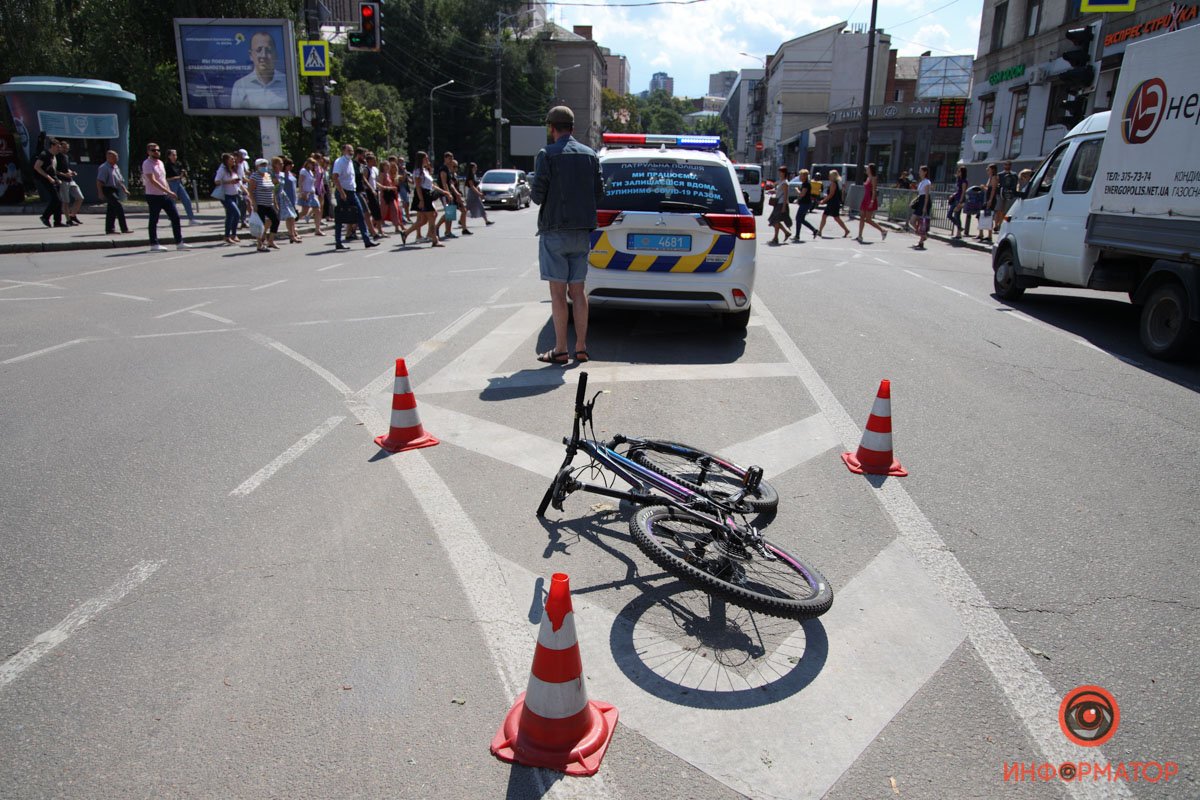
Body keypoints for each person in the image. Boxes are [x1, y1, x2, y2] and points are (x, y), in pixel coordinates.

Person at [530, 105, 603, 365]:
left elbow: (537, 195)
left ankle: (561, 349)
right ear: (572, 127)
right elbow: (599, 193)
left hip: (555, 232)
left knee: (558, 293)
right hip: (582, 233)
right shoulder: (590, 155)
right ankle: (581, 348)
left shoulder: (546, 155)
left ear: (552, 128)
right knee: (579, 291)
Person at [142, 142, 190, 251]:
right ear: (148, 152)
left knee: (175, 217)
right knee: (154, 219)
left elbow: (163, 180)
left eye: (158, 150)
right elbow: (153, 181)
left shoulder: (160, 163)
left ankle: (179, 242)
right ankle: (154, 244)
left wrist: (169, 191)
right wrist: (168, 191)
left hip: (164, 195)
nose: (157, 152)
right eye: (153, 150)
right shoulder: (147, 163)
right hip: (153, 195)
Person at [331, 142, 376, 251]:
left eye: (352, 151)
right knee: (340, 218)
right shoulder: (339, 162)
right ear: (343, 151)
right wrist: (341, 192)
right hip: (343, 192)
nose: (351, 153)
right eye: (348, 151)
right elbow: (335, 177)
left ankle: (367, 240)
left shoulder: (351, 162)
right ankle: (338, 242)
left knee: (360, 215)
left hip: (353, 192)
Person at [230, 31, 288, 110]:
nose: (263, 55)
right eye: (259, 50)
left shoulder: (287, 82)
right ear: (251, 55)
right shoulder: (240, 86)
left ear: (276, 54)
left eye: (268, 50)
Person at [400, 151, 441, 247]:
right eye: (426, 158)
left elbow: (430, 184)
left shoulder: (424, 170)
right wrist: (421, 200)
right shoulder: (418, 171)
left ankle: (405, 233)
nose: (427, 160)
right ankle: (435, 239)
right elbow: (418, 186)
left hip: (427, 194)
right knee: (432, 216)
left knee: (423, 220)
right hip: (422, 195)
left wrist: (443, 192)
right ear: (421, 159)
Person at [247, 157, 279, 251]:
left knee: (276, 220)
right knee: (260, 224)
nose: (264, 167)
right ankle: (259, 244)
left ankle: (271, 240)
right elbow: (251, 191)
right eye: (262, 165)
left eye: (265, 165)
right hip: (260, 204)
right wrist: (254, 203)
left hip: (269, 203)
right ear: (257, 166)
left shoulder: (267, 175)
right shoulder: (254, 177)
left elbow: (272, 190)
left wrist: (275, 203)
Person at [95, 150, 130, 235]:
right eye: (114, 157)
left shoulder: (116, 167)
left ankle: (109, 229)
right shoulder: (104, 167)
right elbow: (99, 181)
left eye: (117, 156)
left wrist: (124, 189)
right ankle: (124, 228)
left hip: (115, 189)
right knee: (118, 206)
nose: (116, 158)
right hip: (107, 189)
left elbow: (119, 180)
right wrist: (100, 193)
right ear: (108, 157)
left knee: (111, 210)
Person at [213, 152, 242, 245]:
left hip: (234, 194)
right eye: (231, 159)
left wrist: (245, 191)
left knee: (230, 216)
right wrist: (229, 181)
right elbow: (217, 181)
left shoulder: (233, 169)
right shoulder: (222, 170)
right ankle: (231, 234)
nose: (234, 160)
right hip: (226, 196)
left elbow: (238, 182)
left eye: (234, 159)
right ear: (226, 161)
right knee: (237, 213)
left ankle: (229, 236)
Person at [33, 138, 63, 228]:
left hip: (54, 180)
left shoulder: (54, 156)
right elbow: (37, 167)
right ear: (52, 146)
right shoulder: (44, 154)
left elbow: (53, 170)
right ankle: (45, 217)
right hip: (46, 180)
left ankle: (57, 222)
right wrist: (48, 177)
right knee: (56, 200)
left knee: (59, 201)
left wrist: (57, 179)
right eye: (58, 147)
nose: (59, 149)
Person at [855, 163, 887, 243]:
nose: (866, 169)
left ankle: (882, 230)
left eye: (868, 168)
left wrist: (872, 201)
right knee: (862, 217)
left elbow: (874, 190)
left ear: (871, 169)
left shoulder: (873, 178)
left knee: (868, 219)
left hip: (870, 199)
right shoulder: (868, 178)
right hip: (865, 198)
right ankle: (860, 235)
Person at [164, 149, 197, 225]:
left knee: (186, 199)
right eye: (173, 155)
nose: (175, 156)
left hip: (178, 183)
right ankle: (173, 219)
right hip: (171, 183)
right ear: (169, 156)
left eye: (175, 155)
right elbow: (166, 178)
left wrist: (183, 173)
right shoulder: (167, 166)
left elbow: (180, 173)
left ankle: (191, 219)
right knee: (172, 202)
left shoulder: (178, 164)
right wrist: (176, 177)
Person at [55, 141, 84, 225]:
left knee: (80, 197)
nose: (66, 149)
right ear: (59, 147)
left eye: (67, 148)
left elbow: (66, 168)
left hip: (70, 180)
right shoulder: (56, 157)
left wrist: (71, 172)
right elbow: (53, 170)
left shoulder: (66, 156)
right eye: (64, 147)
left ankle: (73, 215)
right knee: (66, 201)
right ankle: (68, 220)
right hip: (62, 180)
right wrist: (64, 174)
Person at [816, 169, 850, 239]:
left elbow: (831, 194)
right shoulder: (835, 183)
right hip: (834, 202)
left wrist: (823, 201)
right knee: (836, 218)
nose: (828, 177)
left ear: (833, 176)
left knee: (826, 216)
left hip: (833, 203)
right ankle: (846, 230)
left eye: (830, 175)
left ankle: (820, 231)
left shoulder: (833, 184)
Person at [276, 156, 301, 243]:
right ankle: (292, 235)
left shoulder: (290, 174)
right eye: (288, 165)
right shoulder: (282, 175)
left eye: (291, 165)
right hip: (286, 197)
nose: (291, 166)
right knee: (289, 217)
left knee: (293, 217)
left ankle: (293, 232)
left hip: (293, 196)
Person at [298, 156, 324, 235]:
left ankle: (317, 229)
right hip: (306, 193)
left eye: (314, 165)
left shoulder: (310, 172)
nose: (313, 166)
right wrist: (302, 193)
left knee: (317, 210)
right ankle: (292, 221)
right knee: (304, 212)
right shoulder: (303, 171)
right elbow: (300, 182)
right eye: (312, 164)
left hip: (312, 193)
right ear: (308, 163)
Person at [791, 168, 818, 241]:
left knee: (798, 218)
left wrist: (797, 190)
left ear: (804, 176)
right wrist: (798, 199)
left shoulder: (806, 184)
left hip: (805, 204)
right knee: (801, 219)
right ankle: (814, 230)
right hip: (805, 203)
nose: (800, 177)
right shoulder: (805, 183)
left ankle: (797, 235)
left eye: (801, 175)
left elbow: (802, 194)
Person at [767, 166, 792, 245]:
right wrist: (772, 191)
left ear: (784, 173)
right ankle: (786, 232)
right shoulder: (781, 181)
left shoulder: (785, 183)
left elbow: (785, 195)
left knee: (776, 221)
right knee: (774, 220)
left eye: (780, 172)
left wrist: (784, 207)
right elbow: (778, 191)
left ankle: (776, 238)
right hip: (778, 203)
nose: (779, 173)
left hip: (781, 204)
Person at [464, 162, 492, 228]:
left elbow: (476, 185)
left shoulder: (474, 175)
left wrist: (479, 191)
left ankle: (486, 221)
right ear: (472, 168)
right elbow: (472, 186)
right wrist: (479, 193)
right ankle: (461, 219)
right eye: (475, 167)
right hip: (472, 193)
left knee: (479, 206)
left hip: (475, 193)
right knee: (468, 207)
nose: (476, 168)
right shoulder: (470, 176)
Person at [911, 165, 933, 250]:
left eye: (921, 171)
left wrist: (924, 207)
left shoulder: (927, 182)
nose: (919, 173)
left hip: (925, 202)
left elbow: (927, 195)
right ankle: (922, 236)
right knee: (913, 221)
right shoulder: (921, 182)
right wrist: (914, 200)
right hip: (920, 200)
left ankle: (922, 239)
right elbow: (920, 194)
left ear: (925, 172)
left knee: (920, 221)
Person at [379, 157, 403, 234]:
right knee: (383, 211)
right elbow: (380, 185)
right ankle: (377, 225)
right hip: (385, 195)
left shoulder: (388, 174)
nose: (388, 166)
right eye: (386, 165)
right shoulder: (382, 174)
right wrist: (389, 187)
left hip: (391, 194)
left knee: (395, 209)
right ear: (383, 166)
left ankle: (397, 227)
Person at [996, 160, 1019, 235]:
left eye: (1008, 165)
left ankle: (1001, 225)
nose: (1007, 166)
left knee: (1005, 211)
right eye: (1006, 165)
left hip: (1009, 194)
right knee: (999, 209)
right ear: (1004, 165)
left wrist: (1013, 192)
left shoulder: (1014, 174)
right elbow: (997, 184)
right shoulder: (1000, 174)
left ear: (1010, 166)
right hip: (1001, 193)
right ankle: (996, 224)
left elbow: (1015, 184)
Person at [980, 163, 1000, 243]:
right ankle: (986, 234)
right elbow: (988, 189)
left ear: (992, 170)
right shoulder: (990, 177)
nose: (987, 170)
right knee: (985, 215)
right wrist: (984, 187)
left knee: (989, 216)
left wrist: (990, 200)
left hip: (991, 199)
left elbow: (993, 190)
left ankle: (990, 235)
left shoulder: (994, 177)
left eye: (989, 169)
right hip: (988, 198)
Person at [948, 165, 969, 239]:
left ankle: (958, 233)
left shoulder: (964, 181)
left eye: (959, 171)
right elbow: (958, 190)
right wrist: (953, 195)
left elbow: (963, 192)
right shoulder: (958, 180)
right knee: (949, 215)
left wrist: (960, 201)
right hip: (955, 198)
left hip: (959, 200)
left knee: (957, 215)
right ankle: (960, 227)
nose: (958, 172)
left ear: (962, 172)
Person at [234, 148, 251, 227]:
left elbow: (242, 177)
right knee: (238, 205)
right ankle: (234, 222)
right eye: (241, 158)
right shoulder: (232, 165)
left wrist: (252, 182)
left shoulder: (241, 164)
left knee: (246, 203)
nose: (242, 160)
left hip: (241, 187)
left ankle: (243, 220)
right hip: (234, 188)